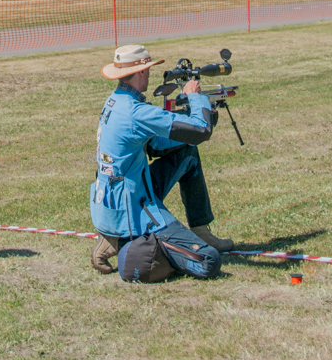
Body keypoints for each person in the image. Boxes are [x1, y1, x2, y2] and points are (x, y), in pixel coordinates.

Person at [89, 44, 235, 279]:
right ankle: (130, 241)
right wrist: (196, 99)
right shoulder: (135, 112)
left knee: (188, 154)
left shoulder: (116, 101)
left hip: (116, 197)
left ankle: (199, 230)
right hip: (134, 205)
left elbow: (156, 145)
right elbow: (201, 130)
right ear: (141, 72)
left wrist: (187, 126)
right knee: (208, 260)